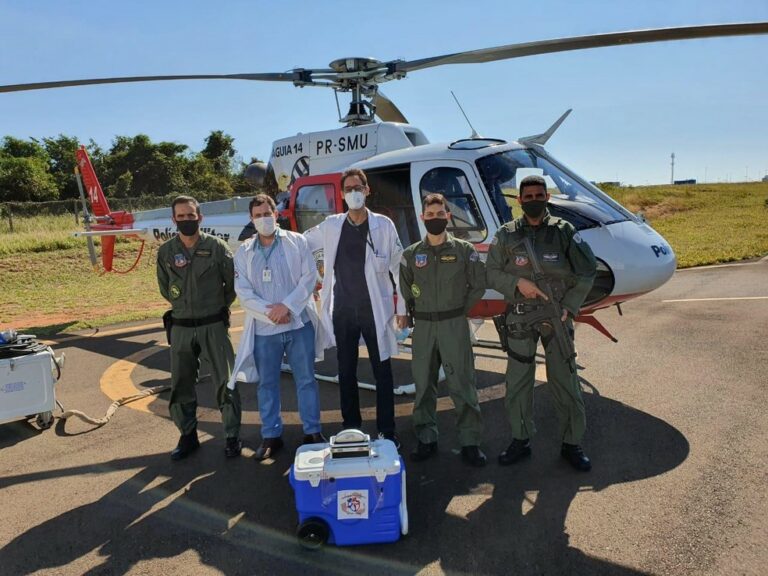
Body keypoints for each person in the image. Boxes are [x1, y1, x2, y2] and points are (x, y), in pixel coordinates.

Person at [486, 175, 597, 471]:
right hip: (520, 317)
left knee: (565, 379)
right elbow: (492, 272)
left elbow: (587, 272)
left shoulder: (564, 232)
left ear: (547, 197)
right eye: (528, 196)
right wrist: (516, 283)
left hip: (556, 316)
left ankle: (572, 444)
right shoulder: (506, 234)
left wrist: (570, 307)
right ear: (519, 200)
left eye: (539, 195)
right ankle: (520, 439)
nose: (533, 200)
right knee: (519, 381)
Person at [305, 168, 406, 447]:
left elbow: (399, 267)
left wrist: (403, 308)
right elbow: (301, 244)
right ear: (341, 194)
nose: (353, 193)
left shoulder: (384, 225)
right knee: (346, 371)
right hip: (344, 310)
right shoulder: (331, 225)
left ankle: (387, 430)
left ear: (367, 189)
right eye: (348, 189)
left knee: (382, 370)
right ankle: (351, 429)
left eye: (358, 187)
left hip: (376, 309)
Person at [227, 194, 326, 460]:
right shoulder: (244, 251)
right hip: (264, 329)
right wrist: (270, 312)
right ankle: (271, 435)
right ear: (251, 219)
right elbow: (243, 291)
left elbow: (309, 278)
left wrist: (288, 307)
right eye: (257, 215)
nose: (263, 219)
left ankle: (312, 431)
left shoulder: (297, 242)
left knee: (306, 380)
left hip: (297, 324)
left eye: (266, 213)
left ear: (277, 214)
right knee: (267, 384)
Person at [398, 193, 487, 467]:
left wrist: (459, 310)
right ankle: (426, 438)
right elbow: (405, 289)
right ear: (422, 217)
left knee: (462, 383)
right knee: (424, 385)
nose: (435, 219)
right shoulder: (411, 254)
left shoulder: (464, 251)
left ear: (448, 216)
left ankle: (470, 441)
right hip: (424, 327)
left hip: (453, 325)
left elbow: (478, 285)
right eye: (430, 214)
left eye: (440, 214)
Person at [156, 195, 241, 460]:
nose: (186, 220)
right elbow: (164, 288)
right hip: (181, 326)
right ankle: (188, 436)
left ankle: (231, 436)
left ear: (200, 217)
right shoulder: (166, 252)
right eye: (180, 216)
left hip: (213, 324)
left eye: (190, 215)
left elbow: (231, 286)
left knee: (225, 382)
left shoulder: (216, 247)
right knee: (180, 384)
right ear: (173, 220)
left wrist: (214, 307)